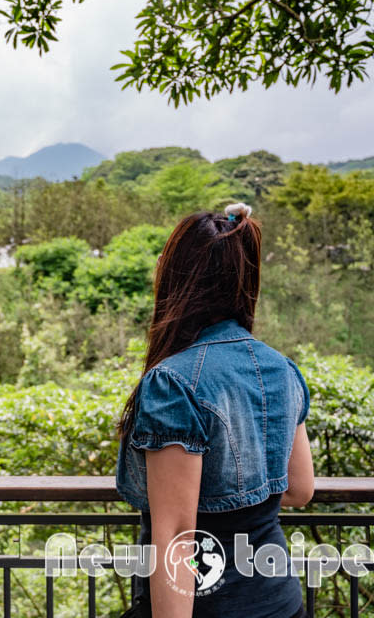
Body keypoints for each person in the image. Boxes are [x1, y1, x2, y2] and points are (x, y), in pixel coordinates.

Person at [115, 203, 315, 618]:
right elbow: (300, 490)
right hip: (280, 602)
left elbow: (175, 536)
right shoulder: (281, 368)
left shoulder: (172, 382)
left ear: (175, 279)